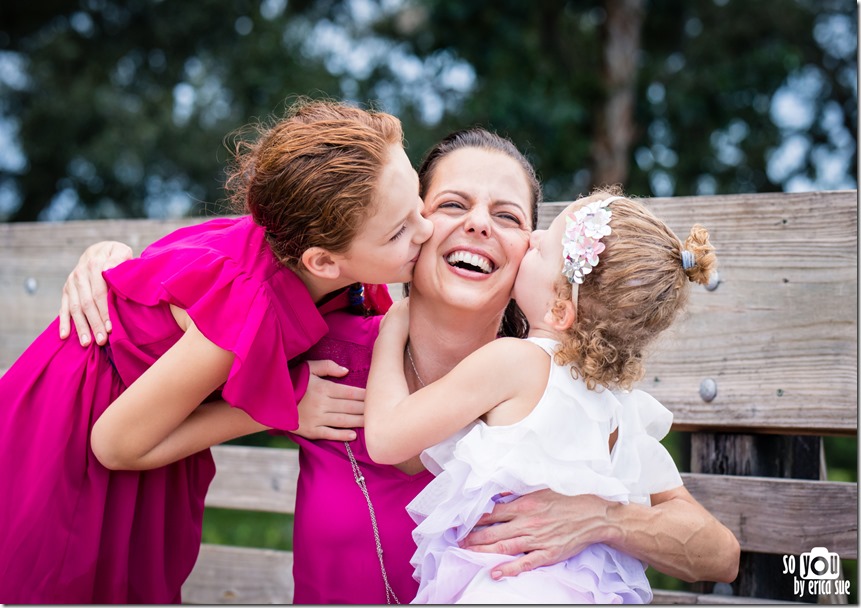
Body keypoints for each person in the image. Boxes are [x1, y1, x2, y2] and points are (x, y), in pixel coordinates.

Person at [58, 129, 740, 604]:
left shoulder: (558, 400)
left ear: (543, 268)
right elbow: (236, 278)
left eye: (506, 216)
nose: (477, 225)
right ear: (408, 230)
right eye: (450, 205)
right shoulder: (319, 349)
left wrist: (601, 519)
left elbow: (716, 553)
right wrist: (115, 262)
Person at [0, 98, 433, 604]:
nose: (425, 230)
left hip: (148, 417)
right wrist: (284, 410)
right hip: (73, 439)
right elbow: (115, 445)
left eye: (420, 203)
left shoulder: (308, 248)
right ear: (323, 261)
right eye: (401, 230)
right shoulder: (245, 309)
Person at [364, 189, 716, 603]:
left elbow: (386, 438)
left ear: (560, 311)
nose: (531, 239)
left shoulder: (513, 362)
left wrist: (391, 332)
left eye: (543, 247)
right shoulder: (618, 408)